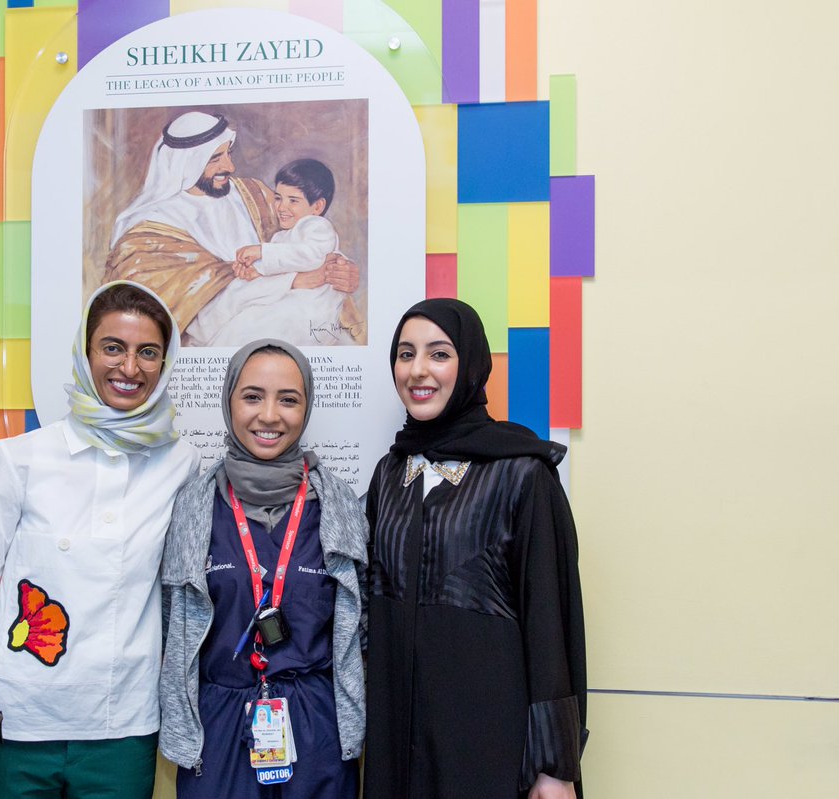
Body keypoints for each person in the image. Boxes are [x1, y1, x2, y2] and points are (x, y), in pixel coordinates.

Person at [0, 281, 200, 798]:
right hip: (15, 722)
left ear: (165, 363)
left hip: (122, 728)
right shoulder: (18, 460)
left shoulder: (181, 464)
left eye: (148, 352)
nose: (130, 367)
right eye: (113, 347)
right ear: (85, 353)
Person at [363, 299, 588, 799]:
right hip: (397, 736)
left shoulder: (521, 472)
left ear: (470, 365)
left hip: (487, 740)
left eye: (439, 354)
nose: (418, 370)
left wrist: (554, 766)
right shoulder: (390, 474)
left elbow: (550, 622)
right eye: (405, 353)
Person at [159, 339, 367, 798]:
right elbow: (170, 624)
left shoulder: (339, 506)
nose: (269, 415)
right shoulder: (193, 505)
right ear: (228, 401)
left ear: (306, 409)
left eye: (288, 399)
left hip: (317, 729)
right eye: (252, 396)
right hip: (216, 729)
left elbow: (361, 624)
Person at [105, 111, 364, 346]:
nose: (230, 167)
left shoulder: (254, 194)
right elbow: (190, 314)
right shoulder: (147, 235)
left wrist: (340, 270)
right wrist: (293, 281)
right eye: (215, 158)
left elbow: (306, 244)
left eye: (228, 153)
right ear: (186, 163)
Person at [223, 159, 352, 346]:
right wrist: (256, 272)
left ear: (317, 206)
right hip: (290, 302)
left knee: (251, 326)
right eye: (278, 198)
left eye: (293, 200)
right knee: (243, 322)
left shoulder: (317, 226)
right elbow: (281, 266)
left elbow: (310, 257)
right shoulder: (281, 236)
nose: (281, 207)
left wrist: (262, 252)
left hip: (311, 310)